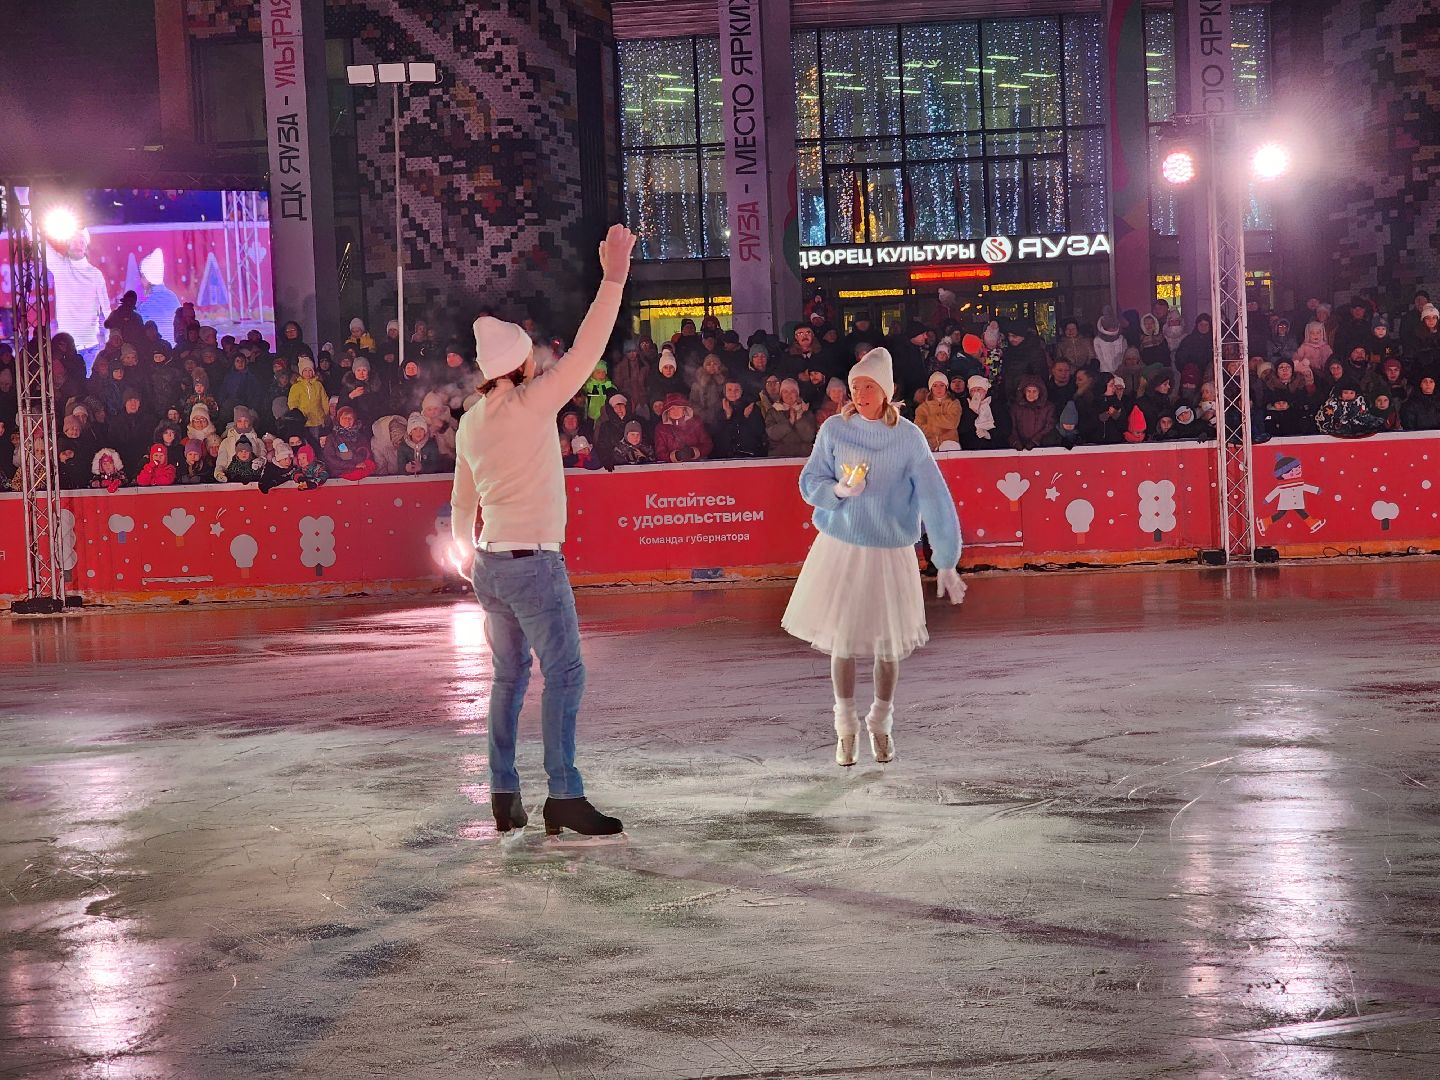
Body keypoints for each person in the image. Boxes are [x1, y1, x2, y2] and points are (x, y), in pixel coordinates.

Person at [450, 223, 635, 841]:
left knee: (508, 676)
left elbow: (460, 501)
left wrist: (463, 553)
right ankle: (564, 793)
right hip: (532, 565)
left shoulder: (471, 423)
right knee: (566, 674)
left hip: (490, 566)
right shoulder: (535, 402)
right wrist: (612, 276)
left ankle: (504, 792)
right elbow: (588, 347)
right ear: (521, 362)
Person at [782, 347, 964, 767]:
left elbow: (935, 498)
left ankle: (880, 720)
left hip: (890, 551)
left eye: (867, 387)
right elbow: (810, 480)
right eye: (854, 387)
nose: (859, 394)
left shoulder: (908, 437)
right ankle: (844, 725)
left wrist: (948, 559)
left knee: (888, 644)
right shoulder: (834, 430)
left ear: (886, 390)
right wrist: (837, 493)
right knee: (841, 641)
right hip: (843, 547)